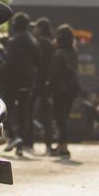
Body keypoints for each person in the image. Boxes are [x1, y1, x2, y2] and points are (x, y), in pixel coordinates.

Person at [1, 12, 40, 156]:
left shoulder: (13, 41)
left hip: (12, 81)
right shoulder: (33, 41)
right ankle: (21, 144)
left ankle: (13, 135)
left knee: (6, 109)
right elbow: (37, 61)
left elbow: (9, 62)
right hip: (28, 81)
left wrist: (2, 69)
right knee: (24, 112)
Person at [47, 24, 80, 158]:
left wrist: (48, 90)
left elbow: (53, 74)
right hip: (72, 89)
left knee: (60, 119)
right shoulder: (73, 52)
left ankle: (63, 147)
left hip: (59, 90)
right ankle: (62, 145)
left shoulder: (58, 53)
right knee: (64, 118)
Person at [32, 18, 54, 153]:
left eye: (36, 27)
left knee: (28, 111)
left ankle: (28, 141)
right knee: (47, 115)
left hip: (36, 81)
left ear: (40, 29)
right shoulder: (51, 44)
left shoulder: (38, 43)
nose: (34, 30)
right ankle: (48, 143)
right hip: (46, 82)